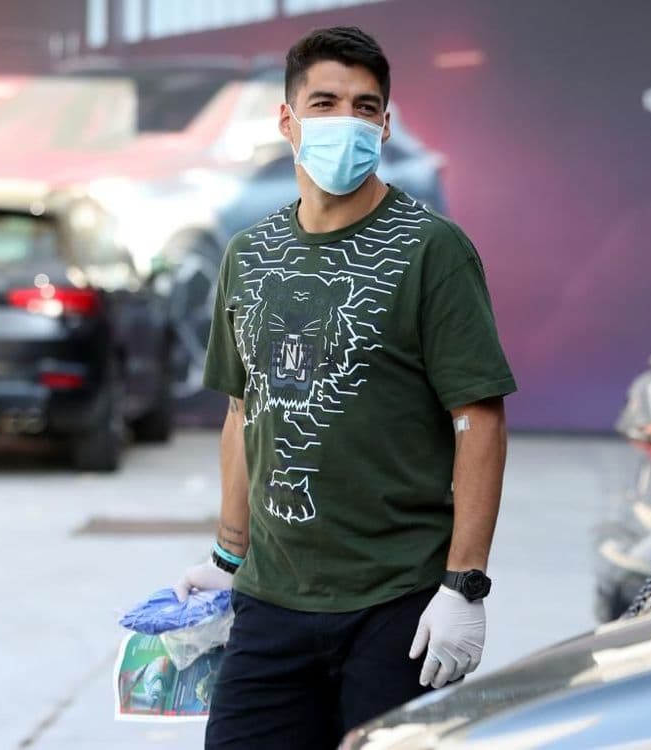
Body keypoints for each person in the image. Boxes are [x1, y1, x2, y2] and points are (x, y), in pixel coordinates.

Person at [175, 25, 517, 750]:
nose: (347, 122)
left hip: (397, 605)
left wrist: (464, 586)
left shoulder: (433, 250)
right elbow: (242, 413)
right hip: (271, 600)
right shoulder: (248, 254)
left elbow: (478, 419)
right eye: (325, 103)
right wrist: (227, 557)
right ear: (287, 120)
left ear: (385, 126)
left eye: (365, 107)